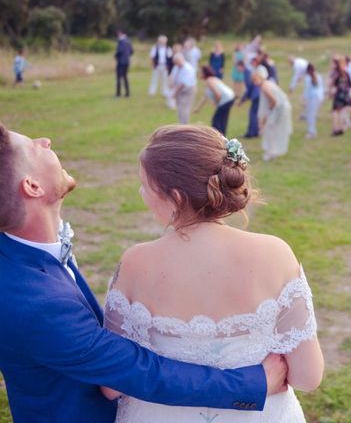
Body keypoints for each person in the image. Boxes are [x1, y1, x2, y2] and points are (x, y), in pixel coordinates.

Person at [0, 122, 289, 423]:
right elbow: (142, 372)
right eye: (34, 146)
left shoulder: (25, 249)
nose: (45, 140)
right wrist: (253, 383)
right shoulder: (32, 302)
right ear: (33, 186)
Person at [102, 125, 324, 421]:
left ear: (176, 197)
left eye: (145, 184)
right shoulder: (276, 253)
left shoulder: (135, 263)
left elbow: (110, 385)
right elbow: (307, 377)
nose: (141, 193)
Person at [254, 67, 293, 161]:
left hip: (279, 109)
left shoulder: (264, 86)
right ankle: (272, 152)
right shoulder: (268, 83)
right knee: (272, 130)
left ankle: (270, 153)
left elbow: (274, 101)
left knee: (270, 130)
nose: (254, 82)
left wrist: (268, 113)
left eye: (255, 79)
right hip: (280, 108)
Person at [194, 66, 236, 136]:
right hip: (230, 98)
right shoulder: (210, 80)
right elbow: (205, 97)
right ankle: (223, 137)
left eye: (200, 72)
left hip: (226, 99)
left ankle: (219, 138)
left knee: (216, 121)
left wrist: (216, 103)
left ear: (204, 73)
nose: (199, 74)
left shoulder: (209, 81)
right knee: (222, 119)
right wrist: (198, 108)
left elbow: (218, 94)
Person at [171, 54, 197, 124]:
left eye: (177, 62)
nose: (176, 64)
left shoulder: (188, 68)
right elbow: (173, 76)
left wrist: (174, 92)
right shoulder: (177, 67)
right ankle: (181, 123)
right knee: (179, 107)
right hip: (179, 89)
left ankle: (184, 124)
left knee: (184, 108)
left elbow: (183, 83)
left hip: (188, 89)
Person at [330, 57, 351, 136]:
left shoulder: (335, 73)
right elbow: (350, 85)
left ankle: (336, 129)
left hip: (338, 95)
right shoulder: (345, 73)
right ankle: (342, 128)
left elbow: (332, 85)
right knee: (342, 111)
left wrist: (330, 94)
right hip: (345, 95)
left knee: (335, 112)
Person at [238, 60, 261, 138]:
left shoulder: (246, 73)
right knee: (254, 114)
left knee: (252, 114)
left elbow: (249, 88)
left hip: (256, 95)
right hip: (257, 94)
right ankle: (255, 132)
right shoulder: (247, 72)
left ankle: (251, 133)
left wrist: (242, 100)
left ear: (241, 66)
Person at [303, 64, 324, 138]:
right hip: (319, 97)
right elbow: (321, 88)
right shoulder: (318, 76)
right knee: (312, 115)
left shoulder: (308, 78)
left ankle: (311, 132)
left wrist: (305, 100)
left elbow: (306, 90)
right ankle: (312, 131)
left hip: (312, 98)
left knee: (310, 115)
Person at [115, 30, 133, 97]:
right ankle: (127, 93)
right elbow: (132, 51)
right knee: (125, 77)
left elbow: (119, 51)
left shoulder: (121, 41)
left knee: (119, 78)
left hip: (121, 62)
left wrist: (116, 56)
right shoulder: (129, 41)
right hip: (127, 62)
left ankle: (118, 93)